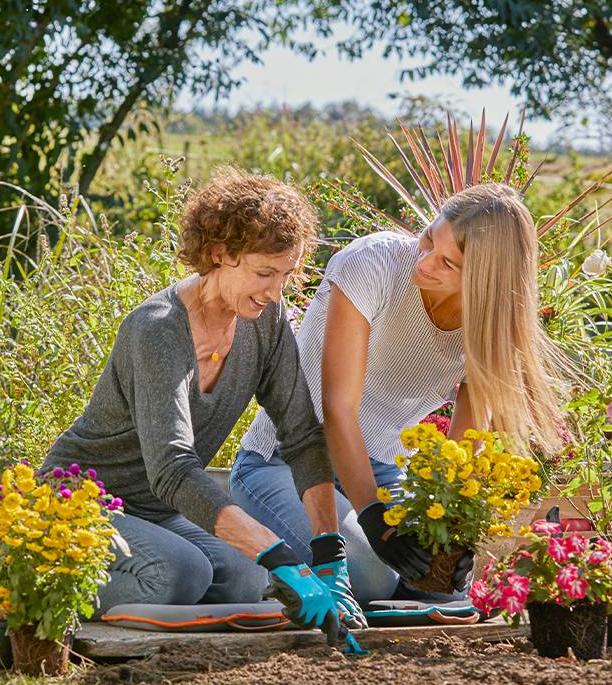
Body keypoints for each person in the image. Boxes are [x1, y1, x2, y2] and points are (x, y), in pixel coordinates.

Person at [42, 169, 362, 640]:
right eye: (264, 273)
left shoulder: (265, 322)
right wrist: (282, 557)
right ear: (219, 254)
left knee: (246, 577)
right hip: (79, 500)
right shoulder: (156, 329)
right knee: (180, 574)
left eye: (287, 275)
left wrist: (330, 555)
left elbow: (302, 435)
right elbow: (172, 468)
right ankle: (27, 580)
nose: (277, 293)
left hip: (155, 511)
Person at [230, 182, 566, 604]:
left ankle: (307, 579)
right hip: (284, 462)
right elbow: (339, 408)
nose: (425, 263)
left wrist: (455, 542)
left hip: (383, 470)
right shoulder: (374, 264)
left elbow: (458, 456)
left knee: (445, 589)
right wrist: (372, 518)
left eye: (448, 263)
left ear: (484, 281)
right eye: (428, 238)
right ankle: (263, 567)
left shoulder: (485, 331)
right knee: (369, 577)